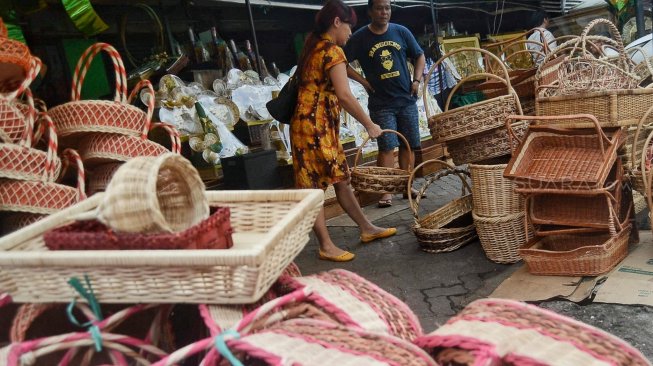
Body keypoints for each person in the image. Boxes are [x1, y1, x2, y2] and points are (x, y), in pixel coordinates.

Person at [290, 0, 397, 262]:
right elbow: (345, 96)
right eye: (349, 26)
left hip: (309, 125)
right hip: (315, 128)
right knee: (314, 188)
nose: (350, 32)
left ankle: (367, 227)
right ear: (337, 22)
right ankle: (326, 245)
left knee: (341, 178)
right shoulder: (332, 51)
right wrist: (370, 125)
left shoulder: (312, 46)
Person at [344, 0, 426, 208]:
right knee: (387, 146)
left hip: (406, 99)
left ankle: (406, 185)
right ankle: (386, 191)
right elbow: (342, 63)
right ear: (370, 11)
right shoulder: (360, 37)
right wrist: (363, 82)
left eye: (387, 8)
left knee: (409, 143)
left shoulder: (401, 32)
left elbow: (419, 56)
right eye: (379, 8)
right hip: (381, 103)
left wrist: (416, 80)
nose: (384, 12)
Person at [422, 45, 456, 110]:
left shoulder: (425, 64)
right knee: (448, 108)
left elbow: (426, 79)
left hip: (434, 93)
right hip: (444, 88)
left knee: (439, 110)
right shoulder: (440, 60)